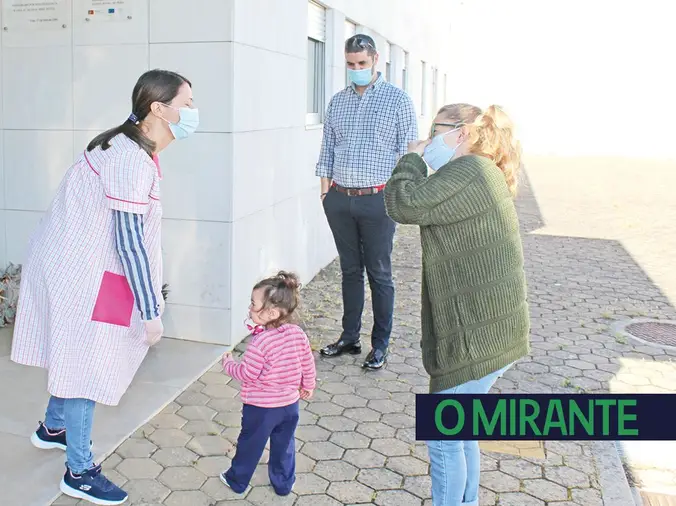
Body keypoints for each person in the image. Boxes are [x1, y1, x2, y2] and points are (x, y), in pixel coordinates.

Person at [9, 69, 198, 506]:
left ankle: (52, 427)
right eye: (186, 105)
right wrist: (152, 310)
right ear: (158, 109)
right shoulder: (129, 159)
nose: (192, 113)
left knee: (81, 354)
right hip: (80, 276)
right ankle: (79, 471)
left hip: (94, 272)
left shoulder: (130, 147)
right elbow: (129, 240)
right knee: (86, 366)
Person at [383, 103, 531, 506]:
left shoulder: (470, 171)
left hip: (480, 335)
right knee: (462, 430)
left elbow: (404, 204)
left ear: (462, 133)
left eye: (435, 132)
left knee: (444, 434)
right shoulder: (479, 170)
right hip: (492, 331)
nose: (429, 140)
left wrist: (410, 158)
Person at [316, 34, 419, 369]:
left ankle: (380, 345)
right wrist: (325, 192)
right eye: (350, 64)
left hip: (377, 200)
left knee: (379, 273)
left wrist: (400, 197)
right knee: (349, 270)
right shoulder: (337, 102)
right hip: (339, 199)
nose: (355, 69)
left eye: (361, 63)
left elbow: (409, 153)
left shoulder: (398, 101)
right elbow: (327, 148)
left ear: (375, 60)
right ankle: (349, 338)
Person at [219, 271, 317, 497]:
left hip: (261, 409)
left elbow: (248, 374)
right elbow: (307, 362)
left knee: (250, 444)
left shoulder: (260, 343)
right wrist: (308, 385)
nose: (250, 308)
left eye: (254, 304)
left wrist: (229, 364)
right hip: (289, 406)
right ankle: (283, 484)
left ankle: (237, 480)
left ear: (271, 312)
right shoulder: (297, 334)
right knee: (284, 446)